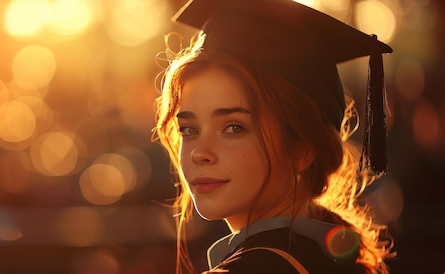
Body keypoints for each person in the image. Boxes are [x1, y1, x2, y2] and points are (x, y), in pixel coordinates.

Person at [153, 0, 395, 273]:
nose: (199, 153)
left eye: (234, 127)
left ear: (302, 149)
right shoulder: (341, 261)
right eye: (189, 129)